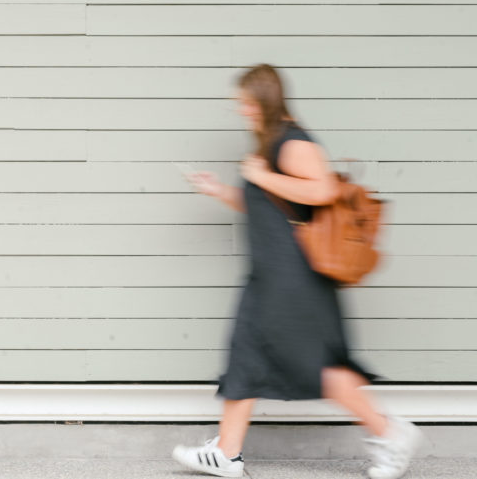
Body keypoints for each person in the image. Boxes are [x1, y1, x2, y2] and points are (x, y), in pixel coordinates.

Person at [171, 64, 423, 479]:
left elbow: (322, 189)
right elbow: (266, 205)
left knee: (317, 368)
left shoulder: (291, 142)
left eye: (247, 104)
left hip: (292, 278)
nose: (241, 111)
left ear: (265, 101)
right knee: (247, 356)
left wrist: (262, 174)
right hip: (273, 274)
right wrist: (219, 190)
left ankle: (391, 433)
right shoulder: (271, 145)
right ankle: (227, 453)